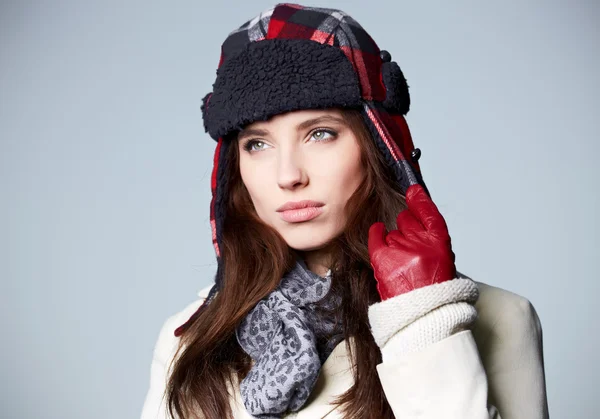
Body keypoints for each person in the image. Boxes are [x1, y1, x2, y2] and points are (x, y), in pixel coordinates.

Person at [141, 4, 549, 418]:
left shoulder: (498, 319)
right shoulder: (189, 339)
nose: (288, 175)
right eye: (257, 144)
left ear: (375, 147)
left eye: (320, 134)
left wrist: (423, 319)